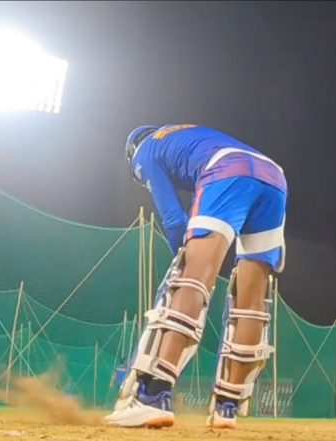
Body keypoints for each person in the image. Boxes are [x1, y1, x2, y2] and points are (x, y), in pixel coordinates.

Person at [106, 124, 287, 429]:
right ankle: (227, 407)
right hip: (274, 177)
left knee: (192, 279)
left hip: (227, 169)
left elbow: (174, 219)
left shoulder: (145, 149)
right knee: (252, 301)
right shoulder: (181, 136)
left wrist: (188, 255)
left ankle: (153, 396)